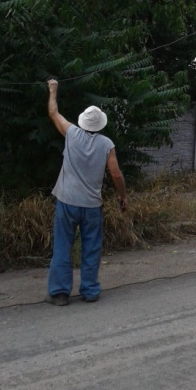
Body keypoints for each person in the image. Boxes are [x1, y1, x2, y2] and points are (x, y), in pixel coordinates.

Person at [45, 79, 127, 306]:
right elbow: (116, 174)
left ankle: (60, 293)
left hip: (67, 202)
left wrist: (53, 90)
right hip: (92, 206)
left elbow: (53, 113)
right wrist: (122, 196)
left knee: (62, 246)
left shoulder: (71, 133)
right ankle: (90, 291)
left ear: (83, 122)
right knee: (91, 248)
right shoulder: (107, 144)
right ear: (101, 125)